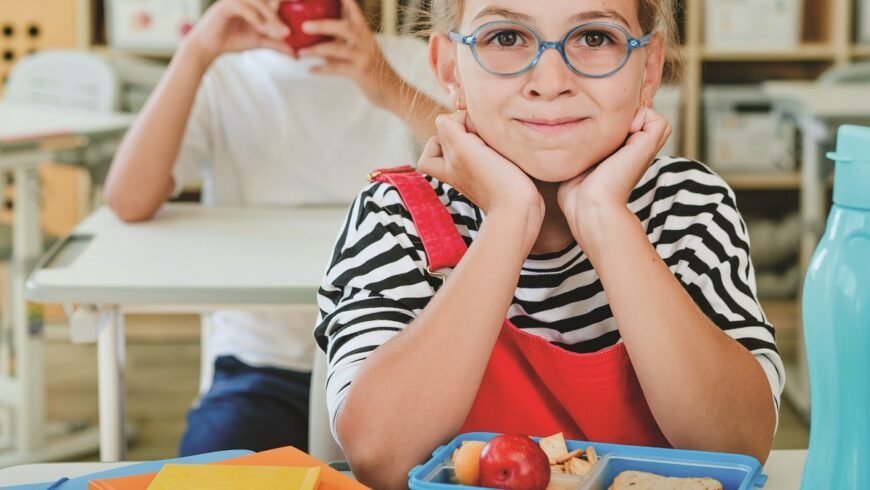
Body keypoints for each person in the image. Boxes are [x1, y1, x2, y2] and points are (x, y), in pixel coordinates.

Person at [314, 0, 786, 487]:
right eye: (505, 38)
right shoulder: (396, 213)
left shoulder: (689, 204)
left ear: (648, 69)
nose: (550, 80)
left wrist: (605, 219)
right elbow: (381, 456)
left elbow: (736, 447)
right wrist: (510, 218)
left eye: (595, 38)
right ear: (449, 68)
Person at [103, 0, 446, 455]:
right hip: (261, 364)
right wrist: (198, 51)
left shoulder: (405, 60)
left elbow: (486, 168)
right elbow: (129, 199)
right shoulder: (225, 76)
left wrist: (385, 85)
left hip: (393, 357)